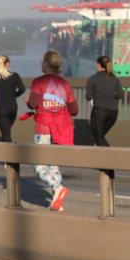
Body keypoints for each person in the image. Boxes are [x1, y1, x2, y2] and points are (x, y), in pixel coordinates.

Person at [27, 50, 78, 211]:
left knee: (40, 166)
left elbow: (33, 104)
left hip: (44, 128)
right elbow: (74, 109)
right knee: (54, 166)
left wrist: (29, 102)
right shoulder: (65, 84)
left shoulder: (39, 82)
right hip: (61, 129)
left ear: (46, 65)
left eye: (42, 62)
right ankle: (57, 201)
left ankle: (57, 188)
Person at [0, 55, 25, 143]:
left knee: (6, 134)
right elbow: (22, 89)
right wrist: (15, 95)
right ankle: (6, 152)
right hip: (12, 109)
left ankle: (8, 154)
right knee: (6, 132)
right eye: (9, 62)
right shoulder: (15, 76)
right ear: (6, 64)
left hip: (0, 109)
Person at [86, 55, 123, 147]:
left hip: (99, 112)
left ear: (98, 65)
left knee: (98, 138)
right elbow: (120, 95)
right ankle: (100, 159)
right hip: (113, 113)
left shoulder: (93, 79)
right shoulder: (115, 79)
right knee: (99, 137)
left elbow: (88, 97)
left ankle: (111, 158)